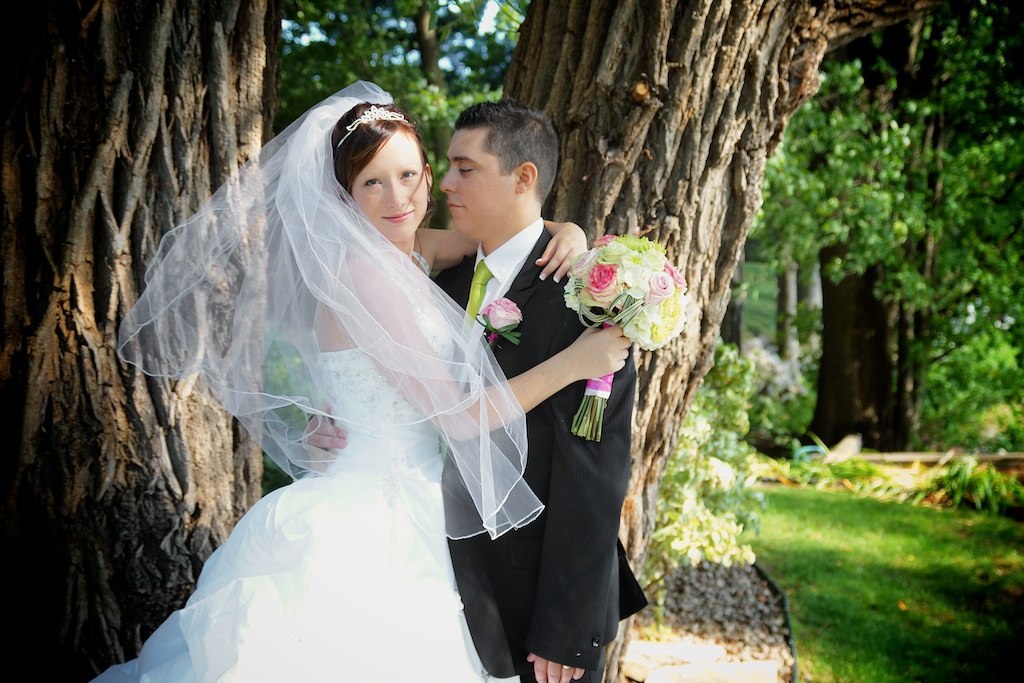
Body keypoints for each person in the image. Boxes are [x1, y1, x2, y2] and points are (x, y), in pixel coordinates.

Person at [92, 81, 631, 682]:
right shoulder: (365, 276)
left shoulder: (418, 251)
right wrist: (576, 364)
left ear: (428, 177)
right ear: (343, 195)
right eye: (371, 182)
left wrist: (571, 232)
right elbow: (458, 417)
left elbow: (513, 228)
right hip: (376, 511)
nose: (395, 196)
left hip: (432, 502)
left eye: (407, 175)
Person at [434, 100, 648, 683]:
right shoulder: (438, 284)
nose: (446, 183)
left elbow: (594, 472)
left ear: (523, 177)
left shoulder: (587, 298)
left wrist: (566, 629)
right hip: (435, 579)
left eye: (465, 168)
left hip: (535, 603)